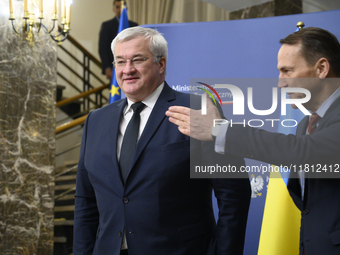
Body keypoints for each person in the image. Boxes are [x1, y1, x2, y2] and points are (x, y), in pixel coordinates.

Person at [73, 27, 251, 255]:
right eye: (120, 61)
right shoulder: (96, 121)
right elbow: (85, 201)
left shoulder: (198, 109)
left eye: (138, 60)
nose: (128, 70)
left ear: (161, 64)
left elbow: (234, 194)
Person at [166, 27, 340, 255]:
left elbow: (302, 152)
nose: (280, 83)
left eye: (287, 71)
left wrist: (220, 130)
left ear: (321, 68)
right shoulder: (304, 125)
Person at [98, 0, 138, 80]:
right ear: (114, 9)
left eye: (122, 6)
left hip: (132, 65)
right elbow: (103, 48)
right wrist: (107, 67)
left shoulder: (134, 26)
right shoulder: (107, 25)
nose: (120, 9)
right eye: (117, 7)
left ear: (127, 8)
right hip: (114, 65)